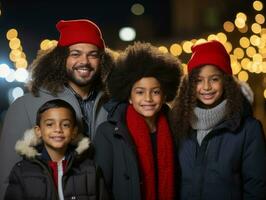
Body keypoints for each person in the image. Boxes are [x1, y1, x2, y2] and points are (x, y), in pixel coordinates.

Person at [0, 19, 114, 197]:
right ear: (61, 59)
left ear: (102, 60)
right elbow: (7, 180)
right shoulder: (24, 107)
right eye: (75, 54)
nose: (84, 61)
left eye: (92, 54)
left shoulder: (113, 105)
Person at [171, 40, 266, 200]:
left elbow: (256, 187)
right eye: (199, 80)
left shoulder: (248, 129)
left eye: (214, 79)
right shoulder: (178, 124)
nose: (206, 87)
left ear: (226, 82)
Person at [93, 42, 182, 200]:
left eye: (155, 92)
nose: (148, 99)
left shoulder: (176, 129)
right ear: (129, 96)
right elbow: (101, 188)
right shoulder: (108, 133)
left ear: (164, 96)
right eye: (140, 92)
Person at [4, 99, 109, 200]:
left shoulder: (90, 169)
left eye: (65, 125)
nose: (58, 129)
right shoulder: (22, 171)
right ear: (38, 131)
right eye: (50, 124)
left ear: (74, 132)